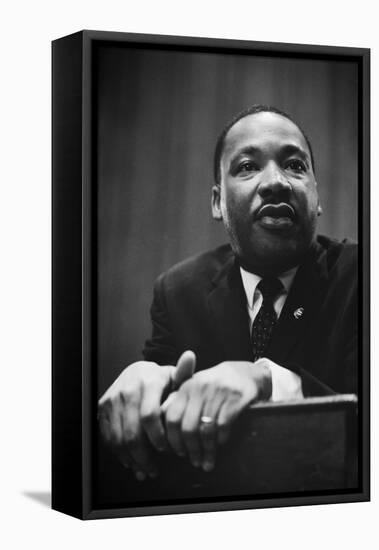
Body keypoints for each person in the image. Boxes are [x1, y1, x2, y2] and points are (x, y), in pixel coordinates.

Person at [98, 105, 357, 483]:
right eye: (248, 166)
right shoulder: (178, 291)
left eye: (295, 165)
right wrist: (144, 381)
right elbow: (160, 394)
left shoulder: (362, 276)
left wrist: (266, 380)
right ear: (218, 202)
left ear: (317, 197)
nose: (276, 182)